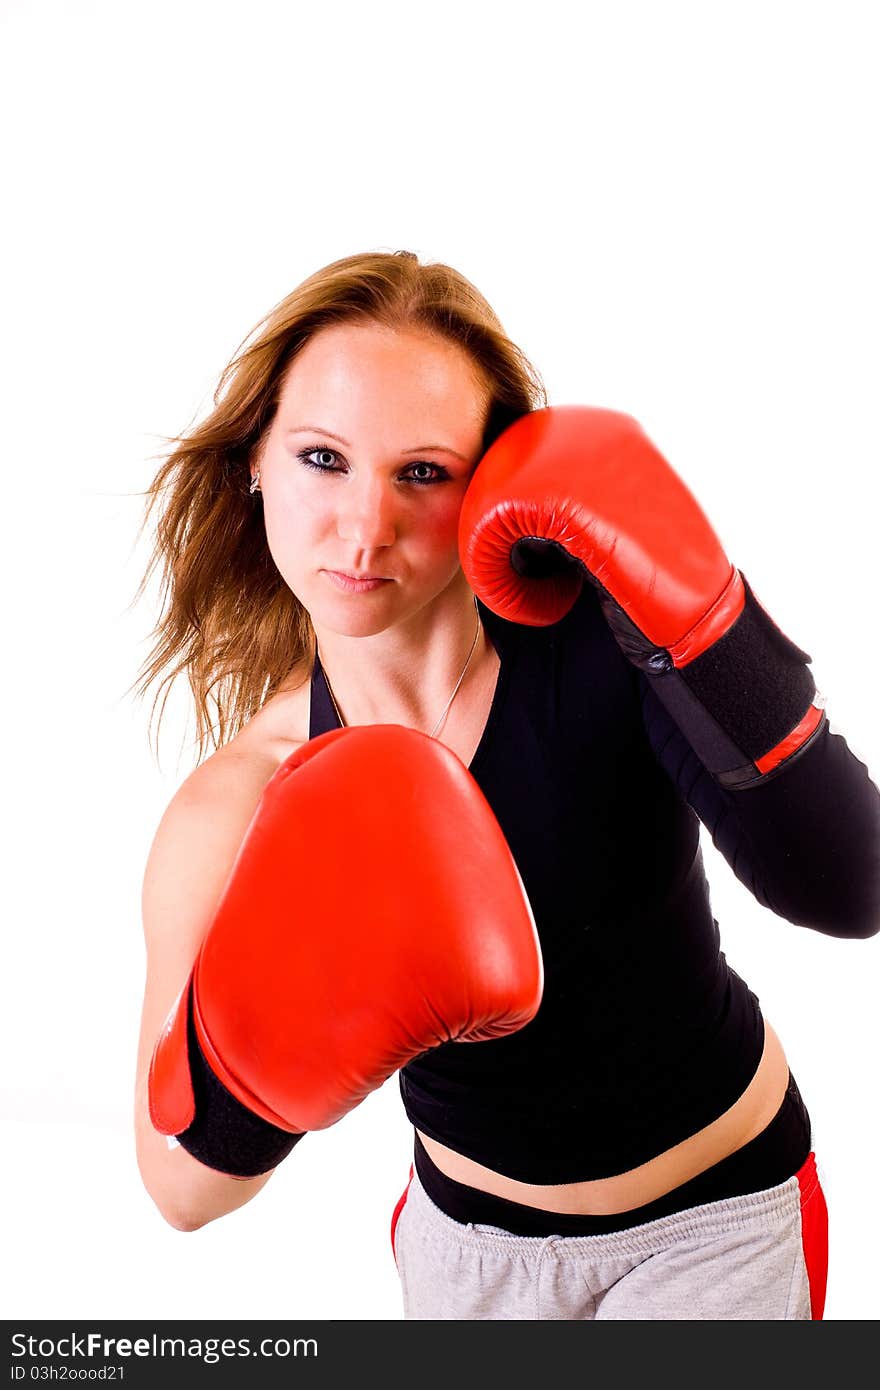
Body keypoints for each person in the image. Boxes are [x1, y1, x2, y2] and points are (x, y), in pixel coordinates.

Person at [132, 249, 880, 1320]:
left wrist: (712, 637)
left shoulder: (611, 641)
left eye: (422, 472)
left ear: (487, 482)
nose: (365, 526)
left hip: (711, 1229)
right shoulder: (240, 805)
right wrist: (305, 1036)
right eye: (322, 458)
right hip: (465, 1256)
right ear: (254, 461)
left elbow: (849, 885)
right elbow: (179, 1186)